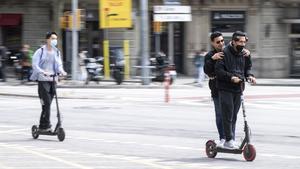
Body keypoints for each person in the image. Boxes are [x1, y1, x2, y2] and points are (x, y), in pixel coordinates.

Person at [215, 31, 256, 149]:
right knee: (227, 114)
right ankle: (228, 140)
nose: (243, 44)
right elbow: (219, 71)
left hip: (238, 88)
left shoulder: (245, 54)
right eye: (240, 42)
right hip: (225, 88)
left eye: (244, 42)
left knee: (234, 115)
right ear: (233, 42)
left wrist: (250, 76)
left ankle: (230, 139)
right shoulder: (224, 52)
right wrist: (231, 77)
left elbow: (248, 68)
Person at [30, 32, 67, 131]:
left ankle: (43, 125)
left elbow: (59, 65)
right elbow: (35, 65)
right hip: (43, 81)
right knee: (46, 103)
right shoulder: (40, 51)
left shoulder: (57, 52)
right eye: (52, 38)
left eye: (56, 39)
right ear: (47, 39)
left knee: (47, 105)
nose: (55, 40)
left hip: (53, 80)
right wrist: (42, 72)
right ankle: (46, 124)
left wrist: (62, 71)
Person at [204, 31, 226, 147]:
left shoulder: (228, 52)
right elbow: (207, 71)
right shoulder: (209, 55)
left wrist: (246, 53)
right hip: (216, 90)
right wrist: (213, 59)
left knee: (230, 115)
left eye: (222, 41)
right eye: (218, 42)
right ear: (213, 43)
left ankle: (229, 138)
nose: (221, 43)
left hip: (229, 89)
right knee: (219, 114)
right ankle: (222, 138)